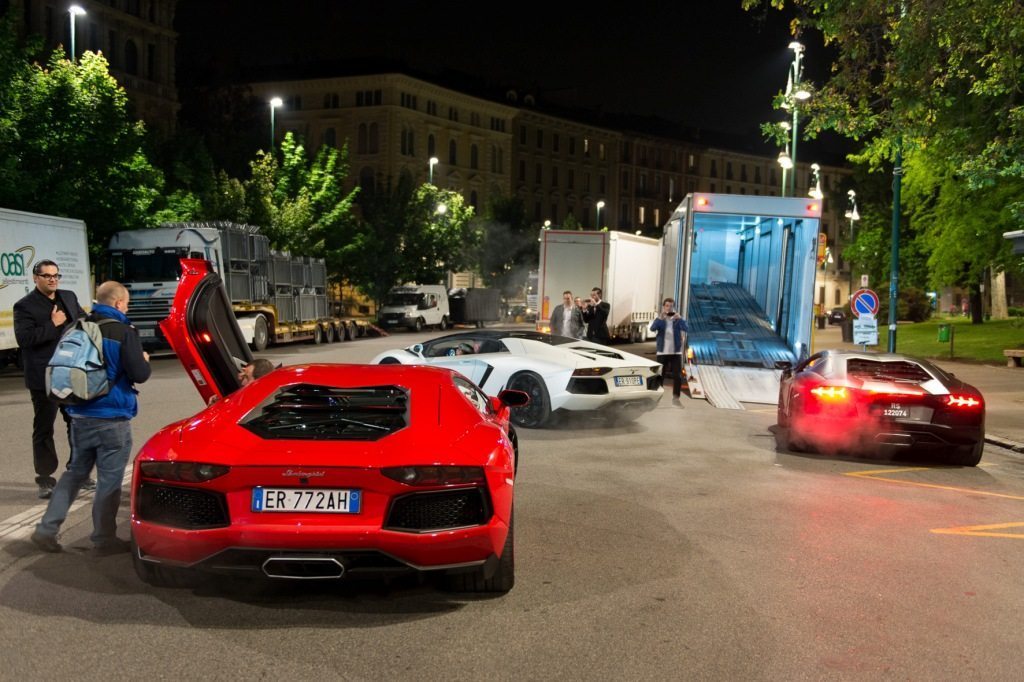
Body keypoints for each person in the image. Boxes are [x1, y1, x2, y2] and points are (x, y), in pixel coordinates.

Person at [30, 281, 151, 554]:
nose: (127, 306)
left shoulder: (76, 326)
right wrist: (143, 358)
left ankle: (46, 529)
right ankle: (103, 539)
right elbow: (139, 373)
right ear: (119, 303)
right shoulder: (123, 332)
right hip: (112, 418)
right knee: (109, 480)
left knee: (74, 474)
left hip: (78, 414)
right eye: (127, 302)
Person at [13, 259, 95, 499]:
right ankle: (45, 480)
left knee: (78, 424)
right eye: (47, 275)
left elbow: (82, 321)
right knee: (44, 429)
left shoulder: (67, 296)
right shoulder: (24, 306)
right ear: (35, 278)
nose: (52, 279)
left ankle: (78, 473)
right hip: (44, 378)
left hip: (71, 372)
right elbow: (25, 340)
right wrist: (53, 324)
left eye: (56, 275)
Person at [649, 297, 688, 401]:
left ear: (673, 307)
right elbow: (652, 329)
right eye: (667, 306)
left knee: (678, 376)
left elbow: (686, 328)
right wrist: (659, 319)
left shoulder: (677, 319)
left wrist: (680, 319)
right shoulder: (660, 319)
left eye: (671, 306)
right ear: (664, 307)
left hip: (676, 352)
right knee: (660, 375)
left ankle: (676, 399)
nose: (669, 308)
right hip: (662, 352)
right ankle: (658, 398)